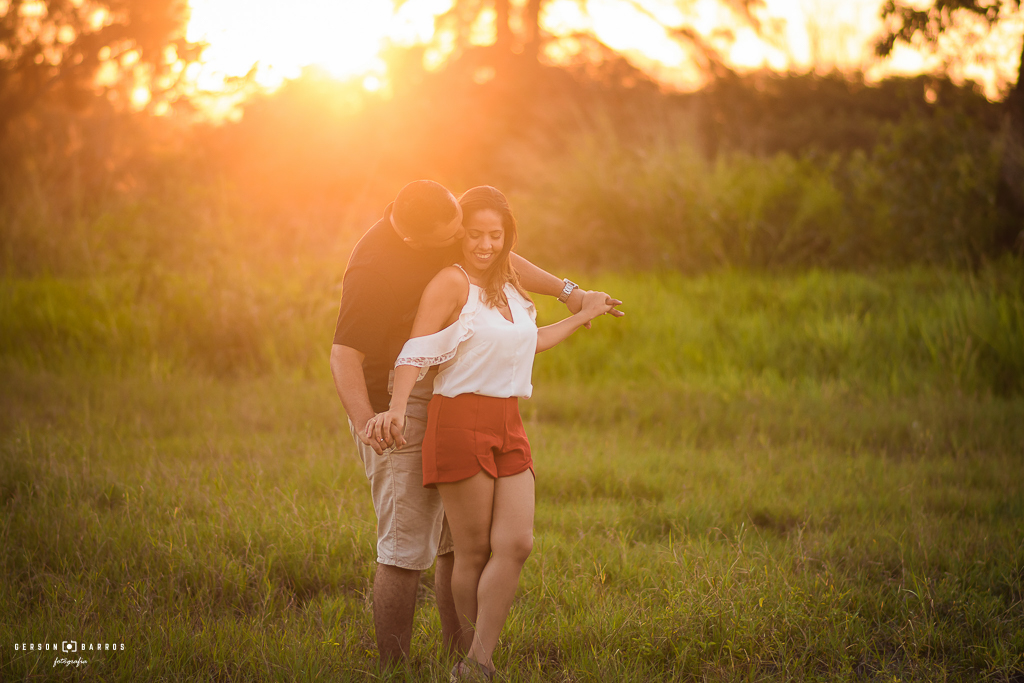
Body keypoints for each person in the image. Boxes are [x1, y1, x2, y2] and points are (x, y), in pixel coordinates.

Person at [329, 180, 622, 666]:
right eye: (460, 237)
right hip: (392, 401)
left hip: (450, 381)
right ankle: (393, 669)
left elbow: (502, 254)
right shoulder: (373, 266)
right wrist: (370, 421)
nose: (470, 244)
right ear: (417, 240)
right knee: (406, 548)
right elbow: (344, 355)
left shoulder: (441, 217)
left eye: (464, 232)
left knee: (457, 545)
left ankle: (463, 659)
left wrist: (570, 293)